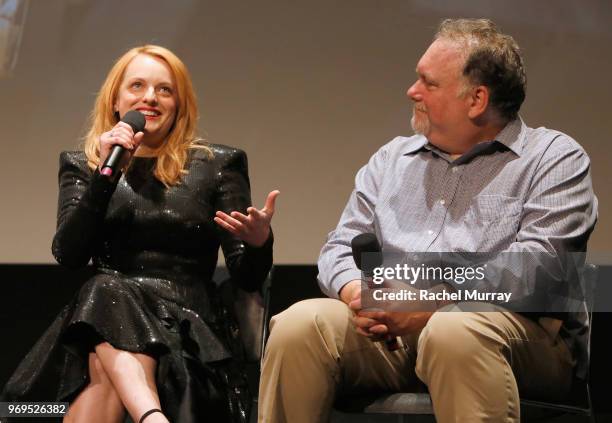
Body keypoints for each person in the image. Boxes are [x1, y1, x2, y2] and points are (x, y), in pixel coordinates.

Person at [258, 18, 597, 423]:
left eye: (428, 83)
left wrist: (428, 304)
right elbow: (340, 246)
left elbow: (537, 270)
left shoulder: (553, 158)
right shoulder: (392, 160)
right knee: (299, 326)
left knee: (454, 332)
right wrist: (357, 294)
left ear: (476, 100)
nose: (411, 91)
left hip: (521, 338)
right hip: (396, 337)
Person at [1, 45, 279, 423]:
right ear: (117, 99)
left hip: (188, 333)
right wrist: (106, 175)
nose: (150, 97)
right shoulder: (84, 165)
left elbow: (247, 276)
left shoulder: (217, 165)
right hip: (102, 321)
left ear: (179, 104)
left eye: (165, 90)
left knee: (103, 318)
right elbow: (69, 253)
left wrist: (259, 241)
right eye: (137, 86)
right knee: (107, 296)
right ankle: (151, 416)